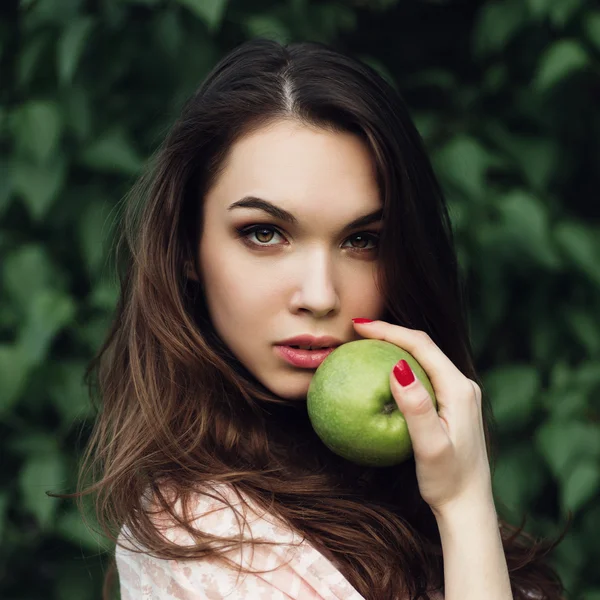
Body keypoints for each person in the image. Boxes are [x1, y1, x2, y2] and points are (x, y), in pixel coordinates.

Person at [70, 38, 568, 599]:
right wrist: (463, 504)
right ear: (187, 248)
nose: (319, 295)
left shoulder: (406, 477)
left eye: (361, 240)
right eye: (264, 233)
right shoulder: (204, 539)